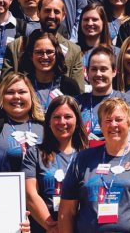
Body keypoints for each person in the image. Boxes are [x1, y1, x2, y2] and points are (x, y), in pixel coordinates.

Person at [58, 98, 130, 232]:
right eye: (108, 120)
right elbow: (67, 212)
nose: (113, 125)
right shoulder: (82, 160)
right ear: (100, 125)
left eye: (118, 120)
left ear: (129, 123)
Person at [22, 95, 88, 233]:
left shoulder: (89, 155)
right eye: (56, 117)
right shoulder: (34, 153)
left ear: (77, 120)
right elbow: (30, 194)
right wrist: (51, 226)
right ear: (49, 122)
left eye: (68, 117)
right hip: (45, 228)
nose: (62, 122)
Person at [4, 0, 87, 90]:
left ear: (63, 16)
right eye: (47, 11)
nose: (51, 16)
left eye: (56, 12)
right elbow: (5, 87)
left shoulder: (74, 50)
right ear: (38, 13)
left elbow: (78, 93)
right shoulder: (16, 46)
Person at [0, 73, 46, 172]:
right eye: (10, 92)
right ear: (1, 96)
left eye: (22, 92)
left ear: (31, 95)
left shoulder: (45, 124)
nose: (16, 96)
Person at [78, 47, 130, 143]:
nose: (98, 74)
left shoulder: (128, 102)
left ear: (114, 71)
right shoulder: (78, 103)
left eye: (103, 69)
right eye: (94, 69)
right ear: (87, 72)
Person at [14, 31, 82, 106]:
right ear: (31, 56)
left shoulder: (69, 85)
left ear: (56, 54)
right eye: (39, 52)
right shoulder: (23, 84)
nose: (45, 57)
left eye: (49, 52)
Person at [76, 3, 115, 74]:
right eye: (86, 19)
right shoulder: (73, 52)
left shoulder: (115, 53)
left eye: (94, 19)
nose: (90, 23)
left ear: (103, 22)